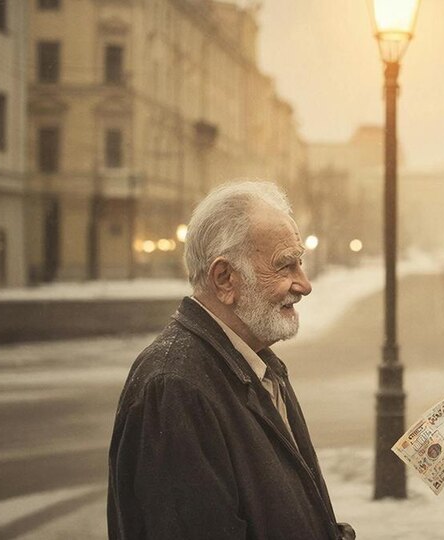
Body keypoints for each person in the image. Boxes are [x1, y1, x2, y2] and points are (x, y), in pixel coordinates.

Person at [107, 181, 355, 540]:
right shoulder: (174, 389)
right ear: (225, 278)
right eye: (285, 267)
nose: (304, 284)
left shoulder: (257, 364)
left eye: (300, 263)